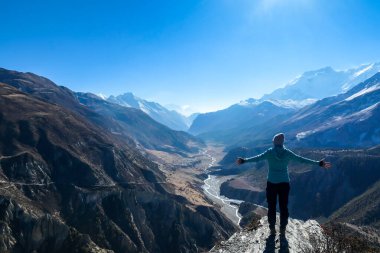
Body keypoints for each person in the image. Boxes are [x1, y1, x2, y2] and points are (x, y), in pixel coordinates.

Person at [236, 133, 331, 235]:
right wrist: (318, 163)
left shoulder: (269, 152)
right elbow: (301, 160)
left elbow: (257, 158)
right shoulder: (287, 153)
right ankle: (282, 228)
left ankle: (272, 228)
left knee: (271, 206)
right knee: (283, 206)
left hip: (272, 183)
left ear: (274, 142)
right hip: (284, 183)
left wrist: (244, 161)